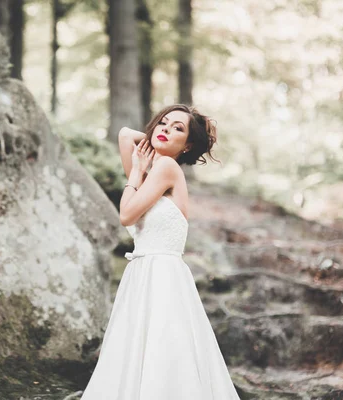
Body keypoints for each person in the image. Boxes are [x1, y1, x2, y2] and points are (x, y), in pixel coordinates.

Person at [81, 104, 240, 399]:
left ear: (189, 144)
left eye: (177, 128)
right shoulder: (151, 176)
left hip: (162, 276)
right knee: (143, 354)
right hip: (143, 274)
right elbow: (126, 134)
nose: (166, 129)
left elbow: (127, 214)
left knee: (163, 355)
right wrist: (162, 140)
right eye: (163, 123)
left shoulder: (166, 168)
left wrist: (145, 165)